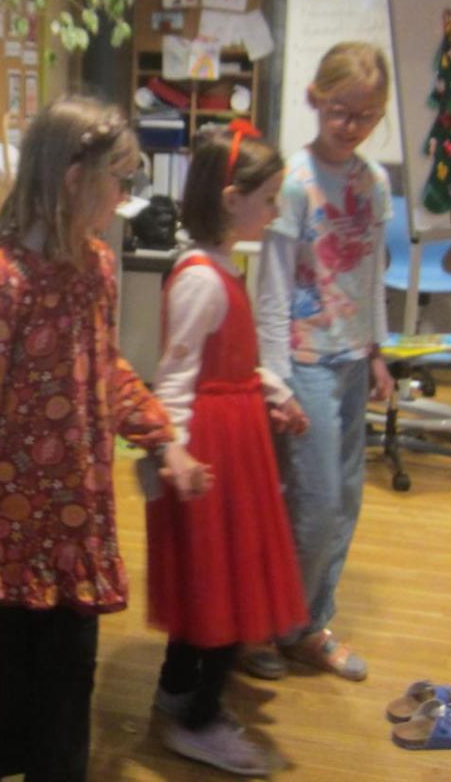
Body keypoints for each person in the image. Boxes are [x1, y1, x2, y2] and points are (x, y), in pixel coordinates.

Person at [0, 96, 203, 782]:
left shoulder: (96, 265)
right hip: (13, 524)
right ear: (73, 179)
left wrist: (162, 437)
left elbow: (104, 368)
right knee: (9, 677)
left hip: (78, 518)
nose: (124, 196)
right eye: (120, 178)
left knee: (65, 689)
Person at [146, 124, 311, 776]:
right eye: (267, 199)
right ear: (230, 199)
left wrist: (273, 391)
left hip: (235, 439)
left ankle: (177, 690)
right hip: (212, 454)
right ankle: (199, 720)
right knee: (225, 582)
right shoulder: (200, 279)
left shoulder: (220, 267)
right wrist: (176, 455)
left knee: (213, 581)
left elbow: (233, 361)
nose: (274, 212)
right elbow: (174, 379)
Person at [248, 41, 396, 683]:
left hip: (352, 359)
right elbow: (273, 289)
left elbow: (372, 276)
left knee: (346, 501)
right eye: (340, 111)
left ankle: (307, 625)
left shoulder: (374, 182)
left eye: (366, 115)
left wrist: (379, 351)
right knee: (313, 503)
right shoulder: (295, 183)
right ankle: (263, 624)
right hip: (303, 362)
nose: (351, 125)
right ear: (315, 99)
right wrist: (275, 378)